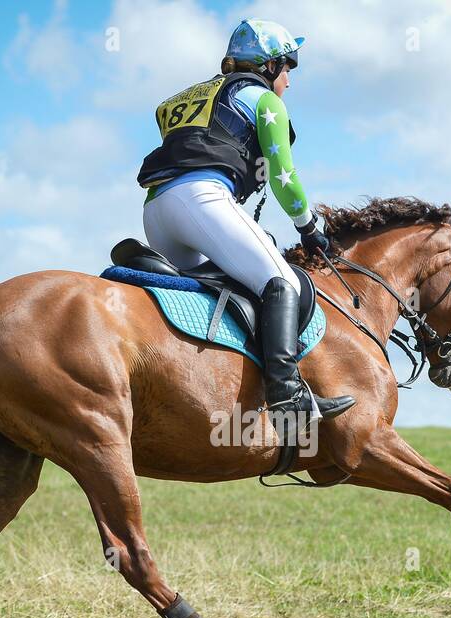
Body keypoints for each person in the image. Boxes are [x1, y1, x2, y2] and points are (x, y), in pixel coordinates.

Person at [137, 18, 355, 433]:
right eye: (287, 67)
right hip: (201, 202)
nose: (288, 80)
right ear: (269, 66)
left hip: (156, 212)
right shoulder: (264, 100)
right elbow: (283, 177)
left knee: (224, 287)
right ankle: (287, 394)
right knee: (280, 282)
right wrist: (309, 229)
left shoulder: (189, 98)